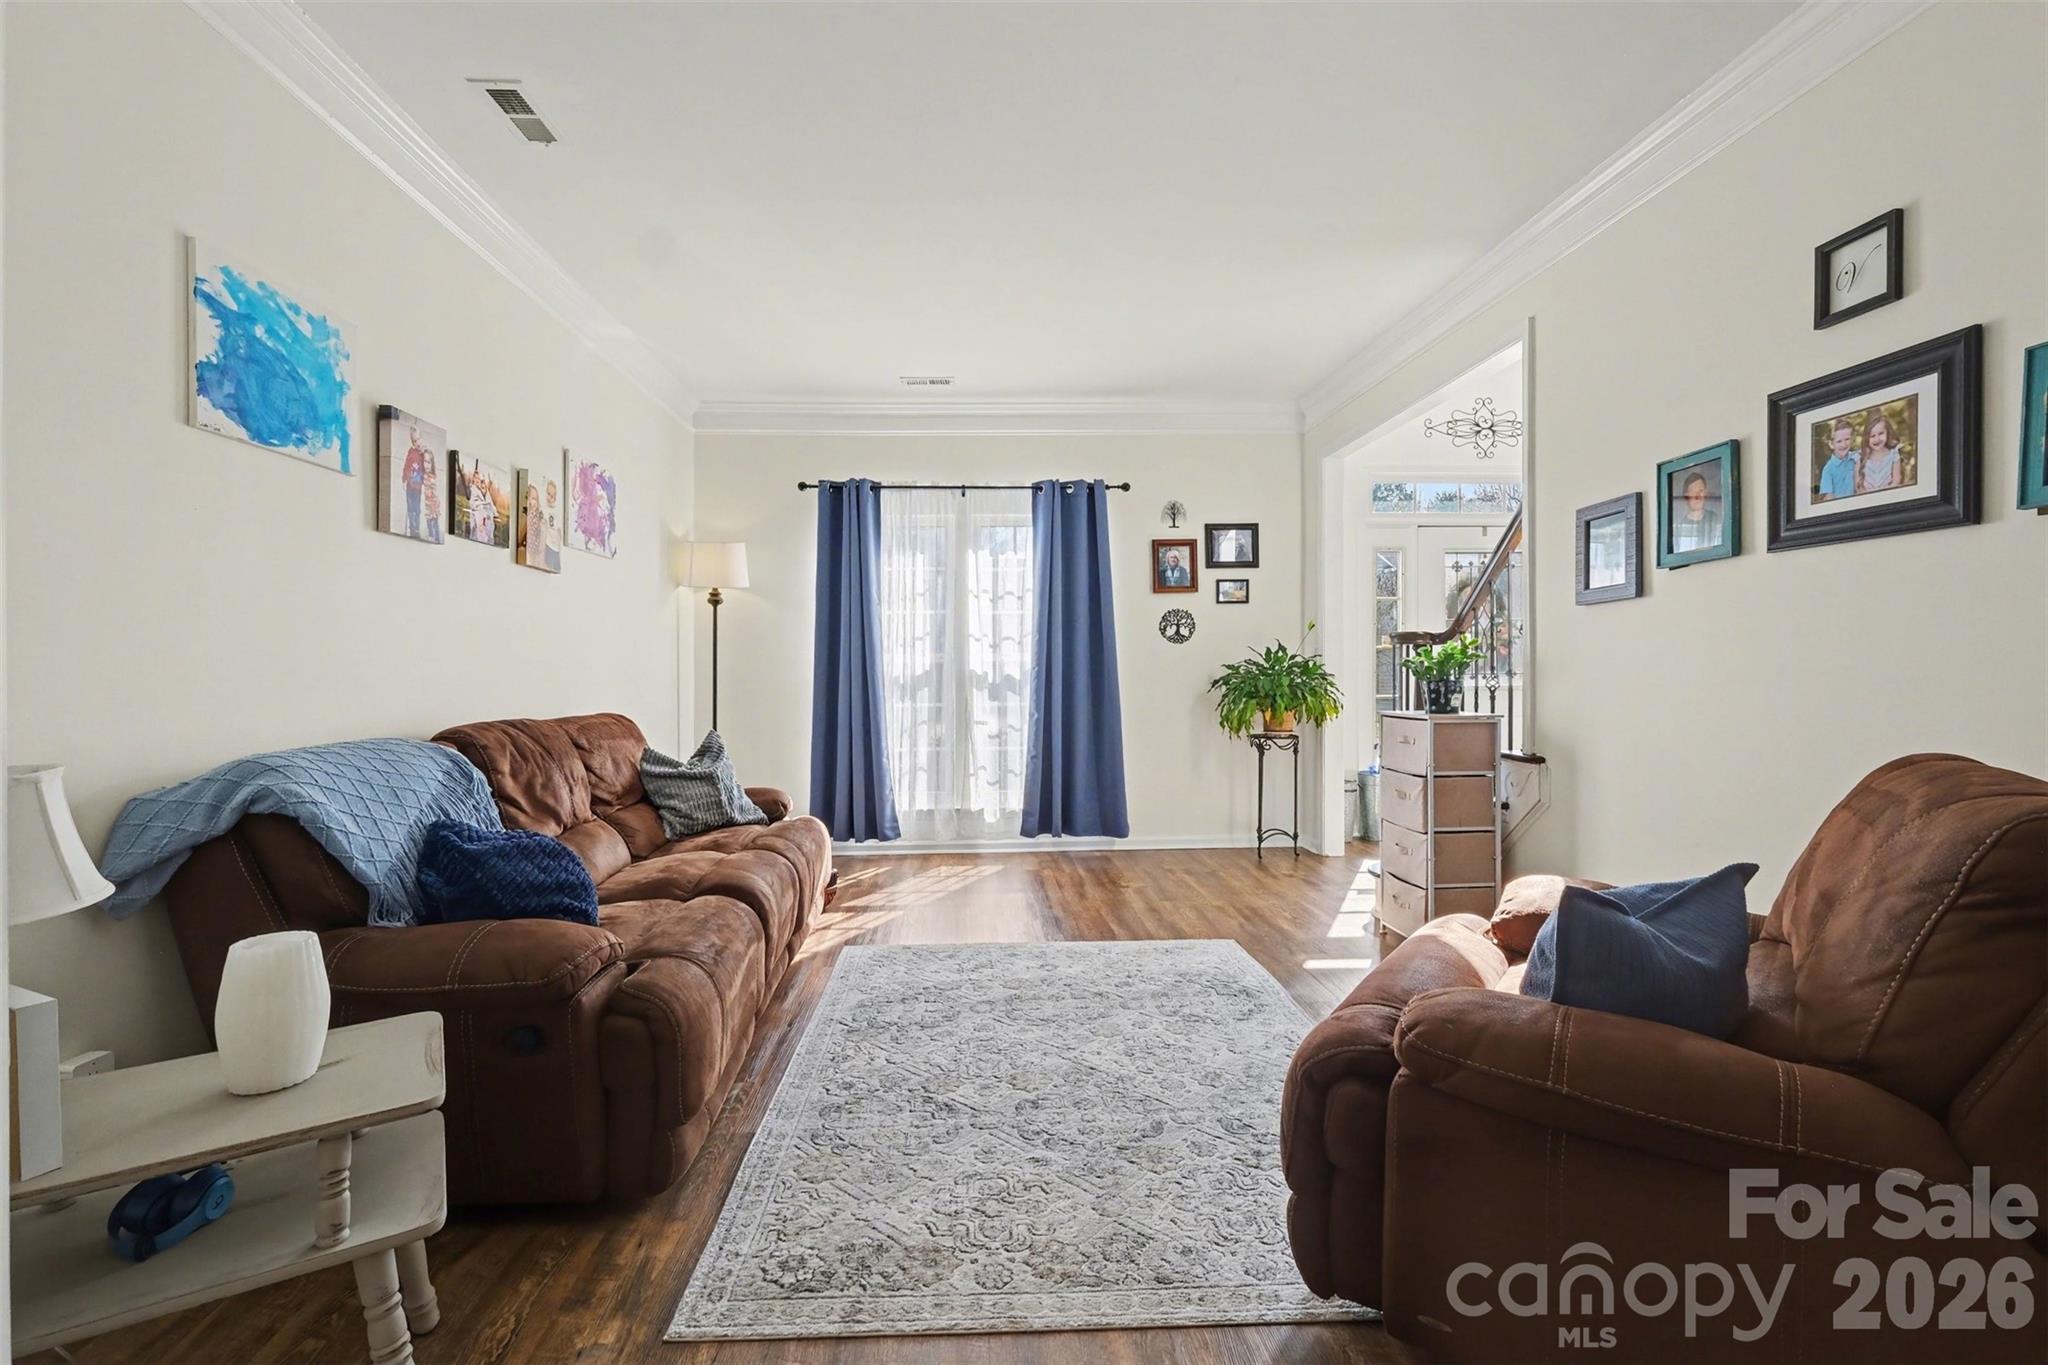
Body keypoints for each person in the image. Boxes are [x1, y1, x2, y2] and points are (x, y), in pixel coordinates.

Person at [1670, 469, 1722, 553]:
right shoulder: (1680, 528)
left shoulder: (1714, 519)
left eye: (1700, 491)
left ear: (1705, 492)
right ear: (1686, 496)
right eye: (1693, 492)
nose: (1698, 496)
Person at [1858, 413, 1905, 492]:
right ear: (1867, 438)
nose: (1877, 439)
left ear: (1887, 433)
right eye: (1872, 436)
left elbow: (1896, 480)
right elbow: (1859, 486)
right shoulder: (1861, 457)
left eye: (1881, 434)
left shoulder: (1894, 455)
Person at [1817, 417, 1860, 501]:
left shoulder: (1856, 458)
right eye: (1839, 441)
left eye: (1847, 439)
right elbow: (1828, 498)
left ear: (1852, 439)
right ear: (1831, 444)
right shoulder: (1828, 469)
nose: (1844, 444)